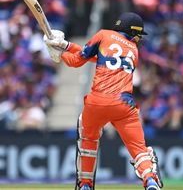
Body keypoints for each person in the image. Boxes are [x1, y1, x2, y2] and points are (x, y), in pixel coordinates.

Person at [44, 12, 163, 190]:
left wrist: (59, 53)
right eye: (138, 34)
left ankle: (85, 184)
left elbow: (77, 61)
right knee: (139, 150)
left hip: (97, 102)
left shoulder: (103, 35)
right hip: (124, 105)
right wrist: (65, 45)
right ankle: (150, 181)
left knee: (88, 140)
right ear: (132, 31)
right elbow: (98, 56)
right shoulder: (133, 50)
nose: (139, 38)